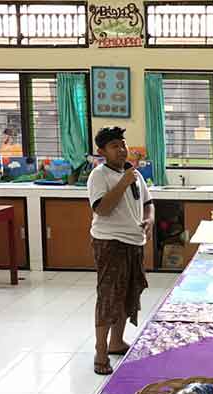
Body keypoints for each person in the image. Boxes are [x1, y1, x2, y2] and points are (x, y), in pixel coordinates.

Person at [88, 127, 154, 375]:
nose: (121, 149)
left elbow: (148, 204)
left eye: (123, 144)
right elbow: (101, 209)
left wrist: (150, 220)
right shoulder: (99, 175)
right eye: (114, 145)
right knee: (109, 296)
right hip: (110, 242)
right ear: (102, 151)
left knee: (128, 294)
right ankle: (100, 350)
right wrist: (123, 183)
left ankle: (116, 342)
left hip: (134, 242)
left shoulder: (133, 174)